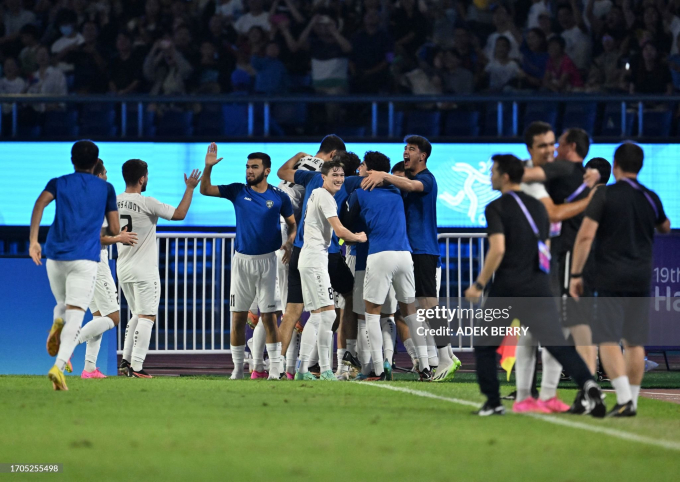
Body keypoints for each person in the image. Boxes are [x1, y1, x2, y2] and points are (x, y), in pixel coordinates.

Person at [464, 154, 606, 417]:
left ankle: (493, 402)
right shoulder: (539, 207)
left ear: (505, 176)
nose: (490, 176)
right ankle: (589, 385)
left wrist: (479, 284)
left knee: (485, 346)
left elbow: (497, 249)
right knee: (557, 344)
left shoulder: (496, 207)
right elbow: (546, 245)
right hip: (538, 286)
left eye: (494, 171)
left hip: (507, 287)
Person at [570, 143, 670, 416]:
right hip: (640, 276)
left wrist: (576, 274)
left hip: (609, 276)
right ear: (640, 165)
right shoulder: (650, 197)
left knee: (607, 339)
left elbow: (586, 235)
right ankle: (632, 401)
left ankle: (624, 398)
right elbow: (665, 226)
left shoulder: (605, 195)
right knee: (635, 342)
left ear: (615, 165)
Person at [362, 135, 460, 382]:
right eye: (405, 148)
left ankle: (446, 357)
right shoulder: (407, 180)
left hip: (424, 250)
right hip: (411, 252)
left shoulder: (426, 179)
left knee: (429, 305)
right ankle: (439, 357)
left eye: (412, 149)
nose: (406, 152)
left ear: (423, 156)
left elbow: (413, 187)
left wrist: (384, 175)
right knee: (419, 308)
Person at [28, 140, 119, 391]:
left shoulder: (59, 182)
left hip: (55, 256)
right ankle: (58, 367)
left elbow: (39, 204)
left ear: (72, 159)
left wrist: (34, 241)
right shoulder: (106, 189)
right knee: (76, 315)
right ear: (95, 161)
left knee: (61, 305)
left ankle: (57, 322)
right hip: (85, 259)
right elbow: (113, 228)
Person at [201, 144, 296, 380]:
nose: (249, 171)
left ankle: (274, 368)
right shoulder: (237, 191)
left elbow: (293, 224)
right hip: (242, 262)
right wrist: (208, 167)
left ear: (267, 171)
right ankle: (237, 370)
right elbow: (205, 190)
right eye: (247, 167)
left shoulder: (279, 196)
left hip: (268, 262)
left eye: (254, 167)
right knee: (238, 317)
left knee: (269, 317)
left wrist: (290, 242)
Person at [522, 127, 601, 384]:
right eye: (546, 145)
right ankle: (583, 387)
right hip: (569, 255)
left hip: (567, 255)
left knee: (564, 325)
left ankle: (576, 387)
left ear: (571, 147)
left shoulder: (564, 171)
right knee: (574, 325)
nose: (554, 150)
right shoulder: (580, 176)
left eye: (558, 144)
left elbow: (552, 211)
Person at [117, 160, 202, 378]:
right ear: (142, 178)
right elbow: (179, 214)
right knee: (147, 317)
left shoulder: (114, 203)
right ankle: (137, 366)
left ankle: (126, 363)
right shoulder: (147, 202)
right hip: (144, 270)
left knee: (136, 315)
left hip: (123, 268)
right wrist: (190, 188)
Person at [276, 135, 351, 376]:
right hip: (324, 256)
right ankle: (330, 362)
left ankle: (275, 368)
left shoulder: (308, 176)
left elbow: (282, 172)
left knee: (293, 312)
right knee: (340, 304)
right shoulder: (346, 183)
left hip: (298, 250)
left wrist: (298, 156)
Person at [295, 159, 366, 381]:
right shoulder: (325, 196)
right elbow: (340, 231)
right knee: (327, 314)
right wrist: (359, 237)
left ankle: (302, 369)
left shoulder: (318, 193)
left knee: (318, 316)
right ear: (323, 177)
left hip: (312, 258)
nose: (338, 179)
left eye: (341, 175)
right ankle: (324, 370)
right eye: (334, 175)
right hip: (315, 260)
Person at [76, 159, 138, 379]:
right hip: (95, 262)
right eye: (105, 173)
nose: (107, 177)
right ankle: (72, 339)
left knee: (99, 316)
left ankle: (89, 368)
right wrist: (119, 237)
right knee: (113, 317)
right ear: (98, 175)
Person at [341, 152, 399, 381]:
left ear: (371, 171)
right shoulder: (395, 190)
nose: (358, 170)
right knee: (388, 315)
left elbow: (344, 220)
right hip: (395, 258)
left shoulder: (358, 189)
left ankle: (370, 366)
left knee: (366, 317)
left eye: (362, 166)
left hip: (366, 259)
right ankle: (389, 362)